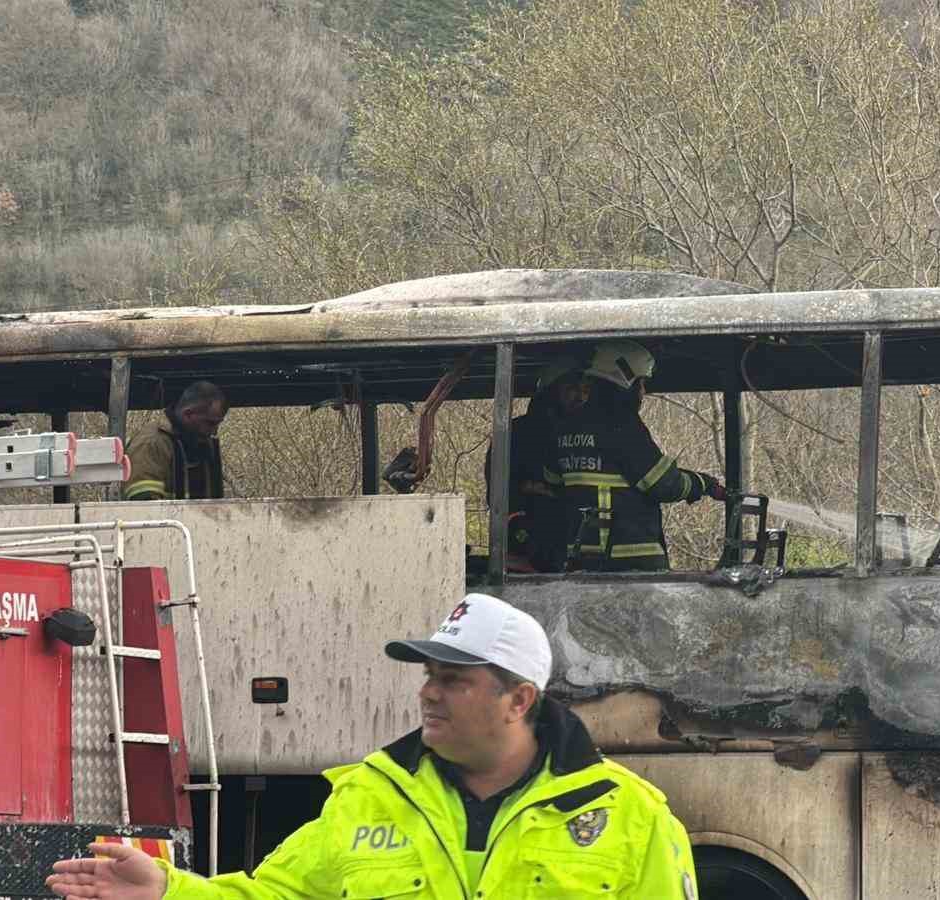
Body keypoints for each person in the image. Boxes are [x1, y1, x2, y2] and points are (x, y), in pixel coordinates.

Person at [46, 592, 699, 900]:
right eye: (429, 676)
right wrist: (168, 891)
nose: (429, 693)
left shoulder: (630, 818)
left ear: (519, 700)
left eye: (454, 680)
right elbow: (277, 898)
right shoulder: (368, 799)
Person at [545, 340, 726, 572]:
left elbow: (553, 482)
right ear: (625, 380)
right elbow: (664, 484)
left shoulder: (566, 426)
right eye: (641, 383)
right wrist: (702, 483)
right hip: (630, 564)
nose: (643, 391)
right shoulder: (622, 425)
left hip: (581, 559)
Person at [484, 356, 581, 573]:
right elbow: (498, 493)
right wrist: (532, 492)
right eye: (571, 389)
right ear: (550, 392)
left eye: (583, 390)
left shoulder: (580, 433)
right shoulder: (515, 433)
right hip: (523, 552)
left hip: (567, 552)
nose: (580, 397)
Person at [124, 381, 227, 500]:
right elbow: (143, 503)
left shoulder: (199, 444)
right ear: (188, 414)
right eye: (210, 423)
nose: (214, 431)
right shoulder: (151, 443)